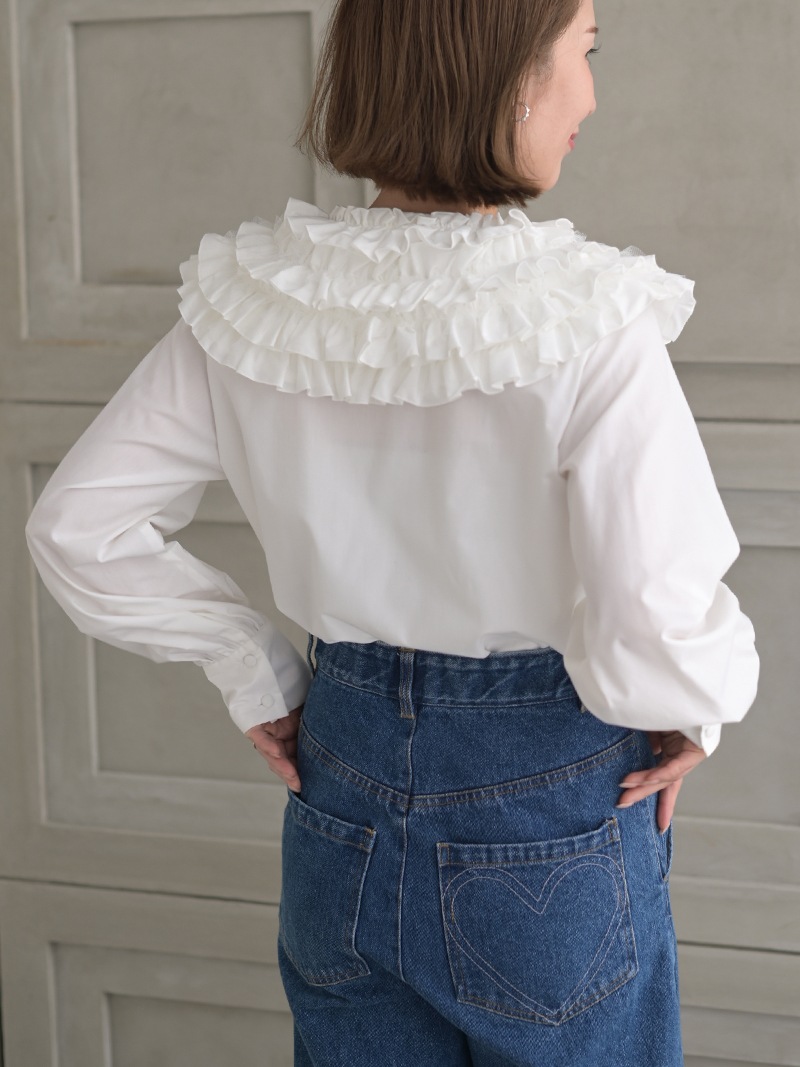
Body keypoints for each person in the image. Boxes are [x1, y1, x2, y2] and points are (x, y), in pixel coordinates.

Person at [25, 0, 759, 1063]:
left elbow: (77, 524)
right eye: (582, 54)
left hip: (340, 781)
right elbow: (654, 601)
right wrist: (692, 708)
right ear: (506, 73)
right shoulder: (584, 314)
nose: (591, 98)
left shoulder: (257, 301)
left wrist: (256, 670)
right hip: (544, 804)